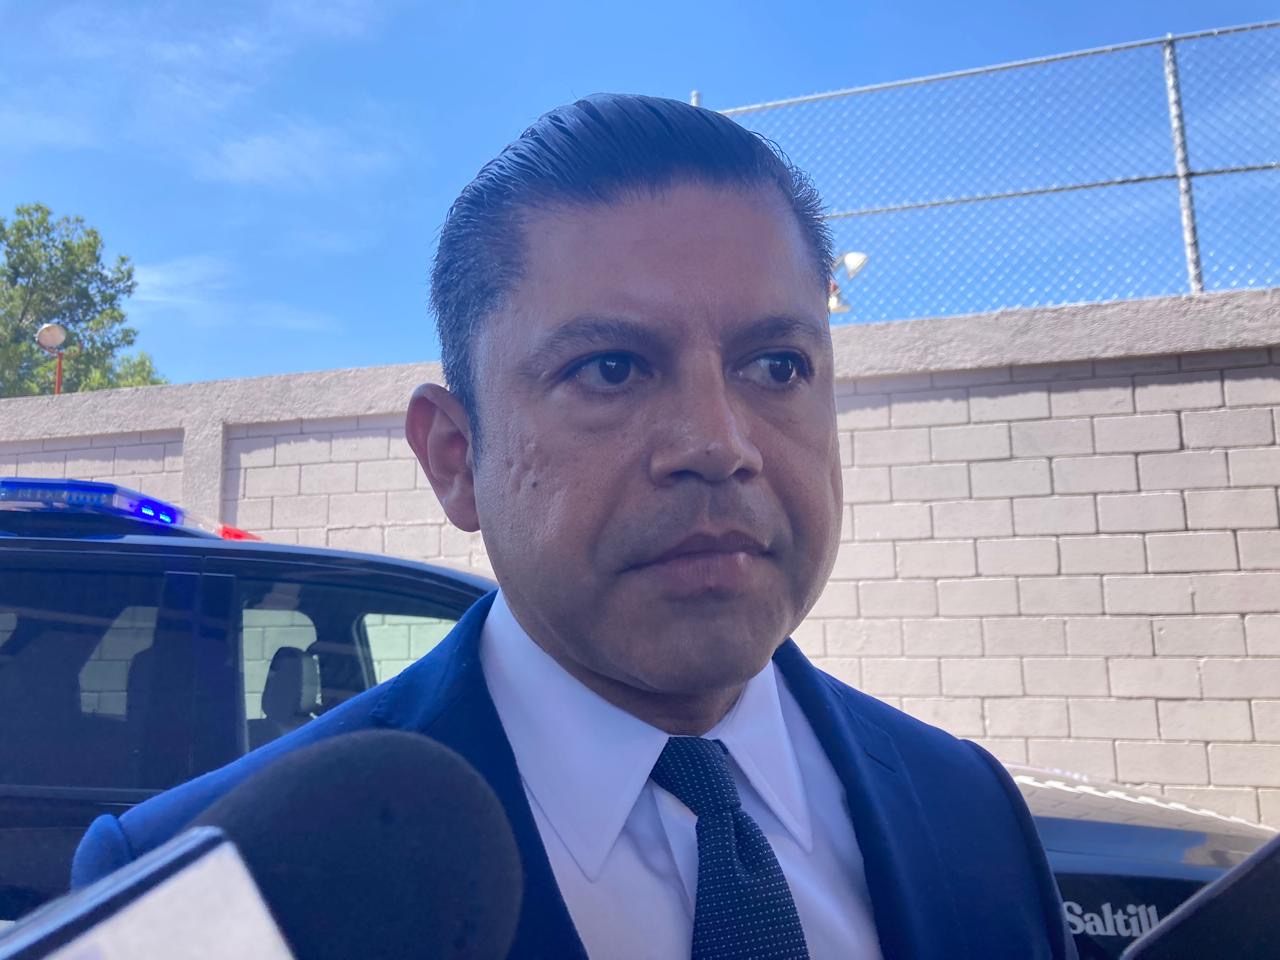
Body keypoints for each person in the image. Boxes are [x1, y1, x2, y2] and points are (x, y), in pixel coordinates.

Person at [72, 94, 1076, 960]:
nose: (717, 443)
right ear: (455, 457)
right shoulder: (205, 900)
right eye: (611, 368)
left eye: (777, 366)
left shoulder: (969, 811)